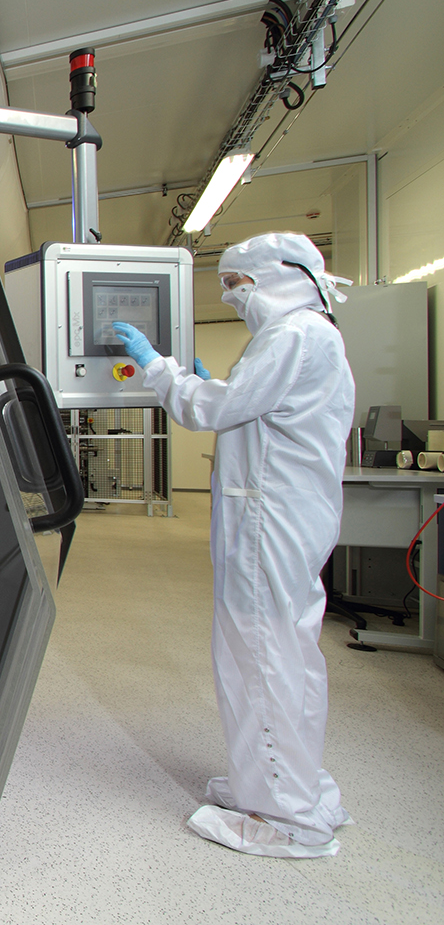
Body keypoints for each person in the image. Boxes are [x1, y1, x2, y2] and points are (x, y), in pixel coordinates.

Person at [112, 232, 355, 858]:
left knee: (261, 655)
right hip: (291, 513)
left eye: (234, 284)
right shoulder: (311, 335)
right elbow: (260, 410)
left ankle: (285, 819)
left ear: (273, 277)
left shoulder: (293, 335)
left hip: (269, 521)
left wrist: (158, 368)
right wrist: (224, 384)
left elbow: (209, 412)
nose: (231, 296)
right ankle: (295, 786)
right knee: (291, 653)